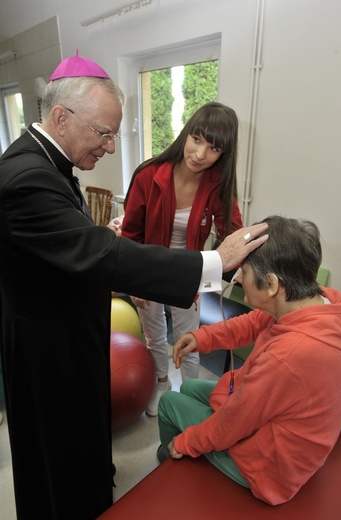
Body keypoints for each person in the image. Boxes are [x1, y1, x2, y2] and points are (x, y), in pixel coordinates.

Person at [0, 52, 268, 520]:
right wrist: (213, 261)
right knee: (58, 455)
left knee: (81, 441)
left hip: (75, 330)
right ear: (62, 117)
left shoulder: (48, 162)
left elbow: (74, 244)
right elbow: (104, 253)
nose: (108, 148)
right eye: (103, 134)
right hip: (51, 350)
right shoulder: (26, 178)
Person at [157, 215, 341, 506]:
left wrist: (185, 443)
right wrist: (201, 338)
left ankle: (169, 465)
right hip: (279, 423)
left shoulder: (289, 357)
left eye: (243, 271)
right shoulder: (324, 301)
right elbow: (252, 323)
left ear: (271, 284)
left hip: (269, 467)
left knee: (170, 403)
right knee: (192, 387)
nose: (238, 278)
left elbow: (232, 424)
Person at [121, 102, 243, 416]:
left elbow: (233, 231)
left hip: (189, 272)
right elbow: (130, 234)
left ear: (223, 154)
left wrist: (242, 266)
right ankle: (160, 382)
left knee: (191, 339)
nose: (201, 153)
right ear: (186, 134)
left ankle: (190, 393)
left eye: (214, 147)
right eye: (197, 139)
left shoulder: (217, 184)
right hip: (148, 271)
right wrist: (131, 280)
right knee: (154, 335)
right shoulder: (149, 174)